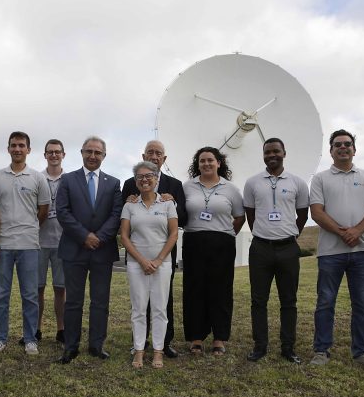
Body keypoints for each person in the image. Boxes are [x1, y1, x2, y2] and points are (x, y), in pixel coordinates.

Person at [309, 129, 364, 371]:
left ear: (354, 149)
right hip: (330, 253)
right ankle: (321, 350)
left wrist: (357, 231)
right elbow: (317, 212)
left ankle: (361, 353)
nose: (343, 147)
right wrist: (343, 232)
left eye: (347, 144)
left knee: (362, 304)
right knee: (326, 302)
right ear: (331, 151)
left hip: (360, 252)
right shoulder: (320, 179)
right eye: (338, 144)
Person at [55, 136, 123, 364]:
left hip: (102, 251)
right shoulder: (67, 180)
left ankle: (96, 344)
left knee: (100, 301)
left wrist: (100, 237)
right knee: (73, 301)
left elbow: (116, 215)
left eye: (97, 153)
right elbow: (62, 212)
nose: (93, 156)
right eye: (89, 152)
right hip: (74, 249)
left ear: (104, 156)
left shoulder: (113, 183)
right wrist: (84, 236)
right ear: (81, 152)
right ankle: (70, 346)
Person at [243, 138, 309, 364]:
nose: (272, 155)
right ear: (263, 155)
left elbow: (303, 215)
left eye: (276, 151)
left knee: (288, 301)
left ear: (284, 153)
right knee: (258, 301)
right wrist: (263, 233)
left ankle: (288, 347)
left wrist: (289, 234)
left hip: (288, 248)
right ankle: (260, 346)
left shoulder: (297, 183)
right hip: (261, 248)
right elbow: (250, 215)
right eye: (267, 152)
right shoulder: (252, 183)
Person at [121, 140, 187, 357]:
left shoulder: (174, 185)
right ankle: (139, 344)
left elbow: (184, 219)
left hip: (163, 255)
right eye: (150, 152)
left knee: (163, 301)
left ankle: (164, 344)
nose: (154, 156)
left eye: (158, 153)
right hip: (137, 255)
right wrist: (131, 199)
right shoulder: (131, 183)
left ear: (164, 159)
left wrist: (173, 203)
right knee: (139, 302)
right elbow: (124, 220)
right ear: (144, 155)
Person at [0, 132, 50, 357]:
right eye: (13, 145)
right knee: (1, 294)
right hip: (3, 244)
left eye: (21, 146)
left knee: (30, 295)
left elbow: (43, 210)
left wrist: (31, 226)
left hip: (29, 244)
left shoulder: (37, 177)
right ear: (8, 149)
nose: (17, 149)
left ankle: (30, 338)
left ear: (28, 150)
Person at [182, 147, 245, 356]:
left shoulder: (231, 189)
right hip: (193, 242)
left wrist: (225, 234)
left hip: (222, 244)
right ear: (197, 164)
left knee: (221, 291)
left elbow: (239, 216)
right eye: (202, 161)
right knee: (194, 290)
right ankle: (196, 338)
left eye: (210, 160)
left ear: (219, 163)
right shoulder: (187, 187)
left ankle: (219, 338)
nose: (206, 164)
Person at [38, 139, 67, 344]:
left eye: (57, 152)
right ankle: (36, 329)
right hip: (38, 242)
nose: (54, 155)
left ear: (63, 154)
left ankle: (61, 329)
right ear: (45, 155)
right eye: (50, 152)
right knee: (37, 288)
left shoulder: (70, 179)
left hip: (62, 242)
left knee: (60, 288)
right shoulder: (36, 178)